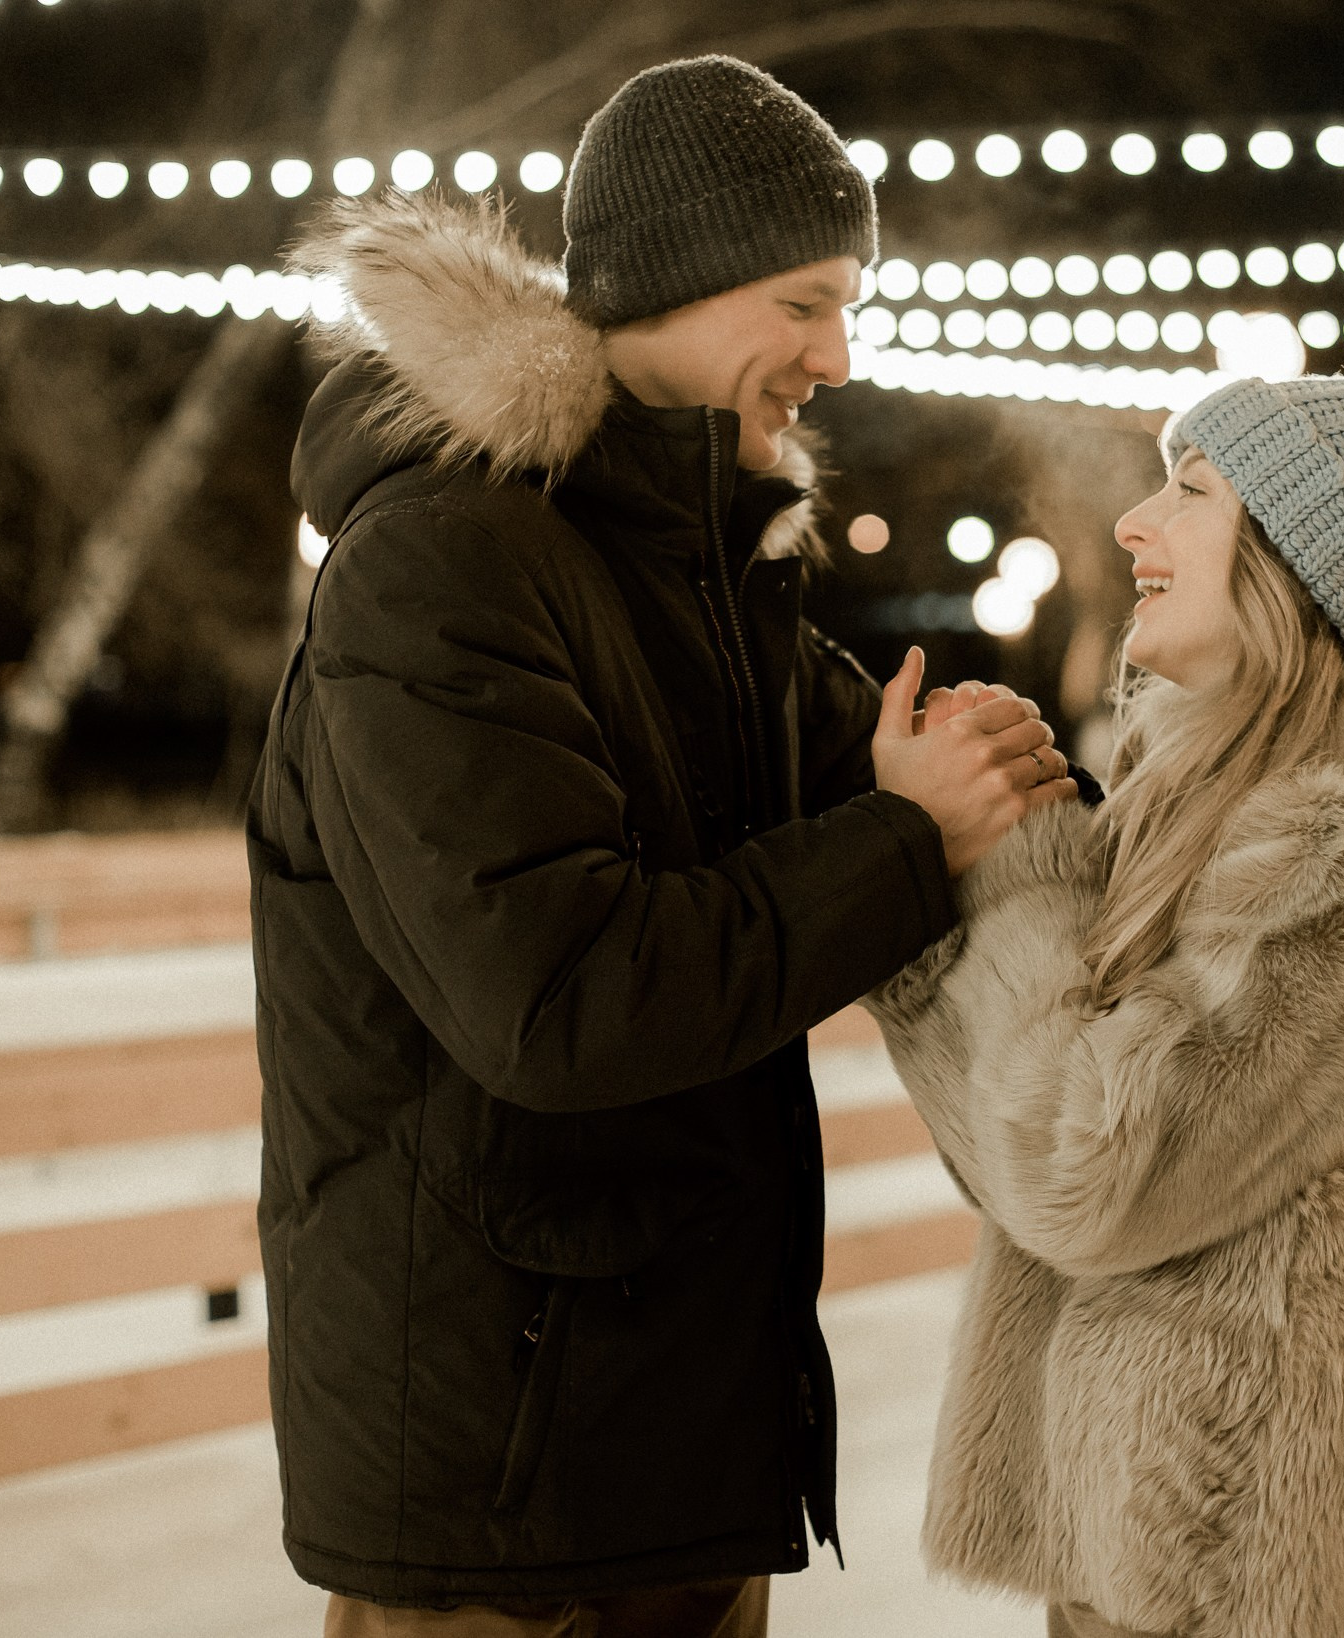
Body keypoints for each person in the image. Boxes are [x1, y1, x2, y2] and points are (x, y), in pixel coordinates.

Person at [247, 55, 1073, 1638]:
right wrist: (910, 832)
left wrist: (1042, 779)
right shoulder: (441, 565)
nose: (838, 357)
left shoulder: (699, 577)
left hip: (670, 1439)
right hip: (507, 1493)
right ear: (673, 281)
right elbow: (558, 997)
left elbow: (906, 787)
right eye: (804, 303)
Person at [864, 374, 1344, 1638]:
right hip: (1144, 1537)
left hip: (1253, 1555)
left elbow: (1082, 1171)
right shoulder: (1189, 813)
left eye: (1193, 490)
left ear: (1292, 563)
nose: (1135, 522)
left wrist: (1019, 870)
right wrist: (938, 876)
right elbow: (1013, 1157)